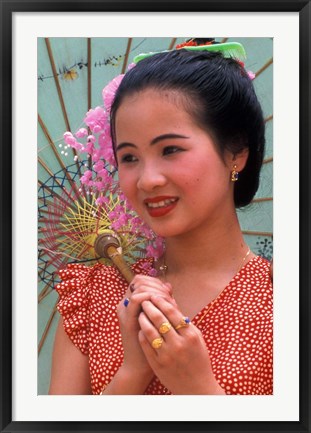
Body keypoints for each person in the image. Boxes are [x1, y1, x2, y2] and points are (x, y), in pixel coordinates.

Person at [49, 40, 273, 395]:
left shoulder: (280, 298)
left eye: (170, 149)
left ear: (237, 152)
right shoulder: (94, 295)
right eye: (130, 157)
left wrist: (199, 389)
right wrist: (133, 372)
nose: (147, 179)